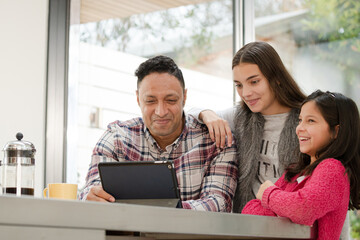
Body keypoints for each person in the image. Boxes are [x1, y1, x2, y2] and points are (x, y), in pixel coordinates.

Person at [79, 55, 238, 212]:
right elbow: (90, 191)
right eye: (150, 101)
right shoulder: (116, 139)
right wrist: (90, 196)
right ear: (138, 99)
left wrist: (152, 212)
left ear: (185, 97)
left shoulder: (215, 141)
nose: (161, 112)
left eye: (171, 100)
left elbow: (218, 204)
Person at [189, 41, 306, 212]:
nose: (245, 93)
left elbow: (328, 185)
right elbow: (188, 115)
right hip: (249, 225)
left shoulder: (307, 119)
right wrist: (206, 113)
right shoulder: (240, 117)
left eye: (254, 82)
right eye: (239, 85)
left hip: (294, 226)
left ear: (277, 78)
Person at [242, 90, 360, 240]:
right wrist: (285, 208)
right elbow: (250, 210)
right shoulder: (295, 172)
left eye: (311, 121)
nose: (299, 129)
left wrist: (268, 193)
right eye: (300, 120)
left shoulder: (333, 169)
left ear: (336, 131)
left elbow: (303, 208)